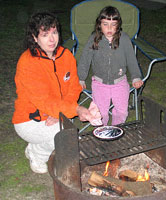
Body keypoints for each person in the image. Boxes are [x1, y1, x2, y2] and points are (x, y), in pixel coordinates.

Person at [12, 12, 101, 174]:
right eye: (45, 35)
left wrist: (61, 113)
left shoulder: (65, 55)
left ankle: (38, 145)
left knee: (68, 135)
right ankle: (37, 154)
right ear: (34, 37)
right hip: (29, 120)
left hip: (55, 114)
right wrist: (75, 110)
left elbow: (73, 87)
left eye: (54, 32)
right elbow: (44, 101)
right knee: (65, 137)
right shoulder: (28, 63)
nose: (52, 39)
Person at [78, 6, 143, 126]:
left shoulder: (124, 39)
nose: (109, 28)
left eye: (113, 24)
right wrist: (81, 78)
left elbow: (131, 59)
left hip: (120, 82)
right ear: (99, 24)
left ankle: (115, 129)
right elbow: (85, 59)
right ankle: (102, 131)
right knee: (101, 113)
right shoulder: (94, 38)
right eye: (105, 24)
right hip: (99, 83)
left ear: (118, 25)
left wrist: (136, 77)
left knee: (122, 111)